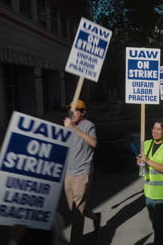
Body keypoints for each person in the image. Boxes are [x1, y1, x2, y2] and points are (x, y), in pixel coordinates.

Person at [63, 100, 101, 245]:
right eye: (71, 110)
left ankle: (75, 242)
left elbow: (94, 143)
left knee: (77, 215)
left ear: (83, 112)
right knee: (75, 209)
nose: (72, 113)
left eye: (76, 110)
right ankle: (95, 218)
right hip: (68, 173)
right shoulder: (68, 125)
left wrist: (74, 128)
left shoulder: (88, 125)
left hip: (82, 173)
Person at [137, 120, 163, 245]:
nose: (155, 132)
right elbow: (142, 163)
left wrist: (148, 160)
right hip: (149, 191)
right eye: (154, 128)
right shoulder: (146, 143)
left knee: (158, 226)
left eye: (159, 129)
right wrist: (140, 162)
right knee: (155, 220)